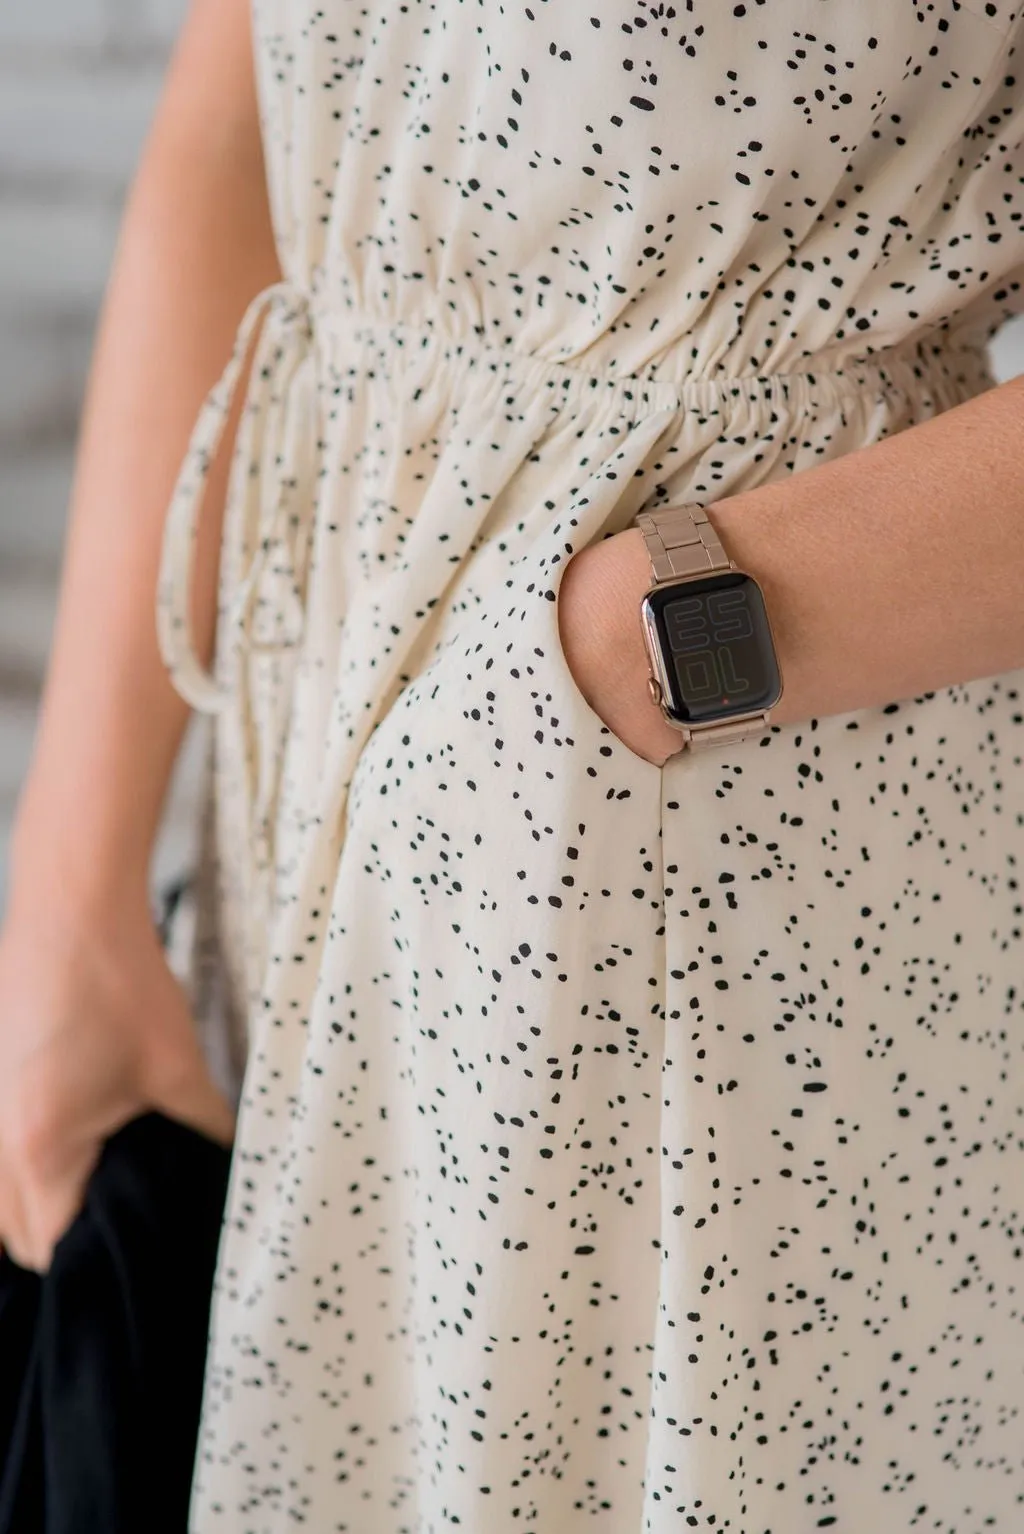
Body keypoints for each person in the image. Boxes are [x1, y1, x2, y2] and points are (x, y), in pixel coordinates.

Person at [1, 0, 1022, 1527]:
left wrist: (631, 641)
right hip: (314, 851)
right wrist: (72, 883)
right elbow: (237, 105)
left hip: (745, 914)